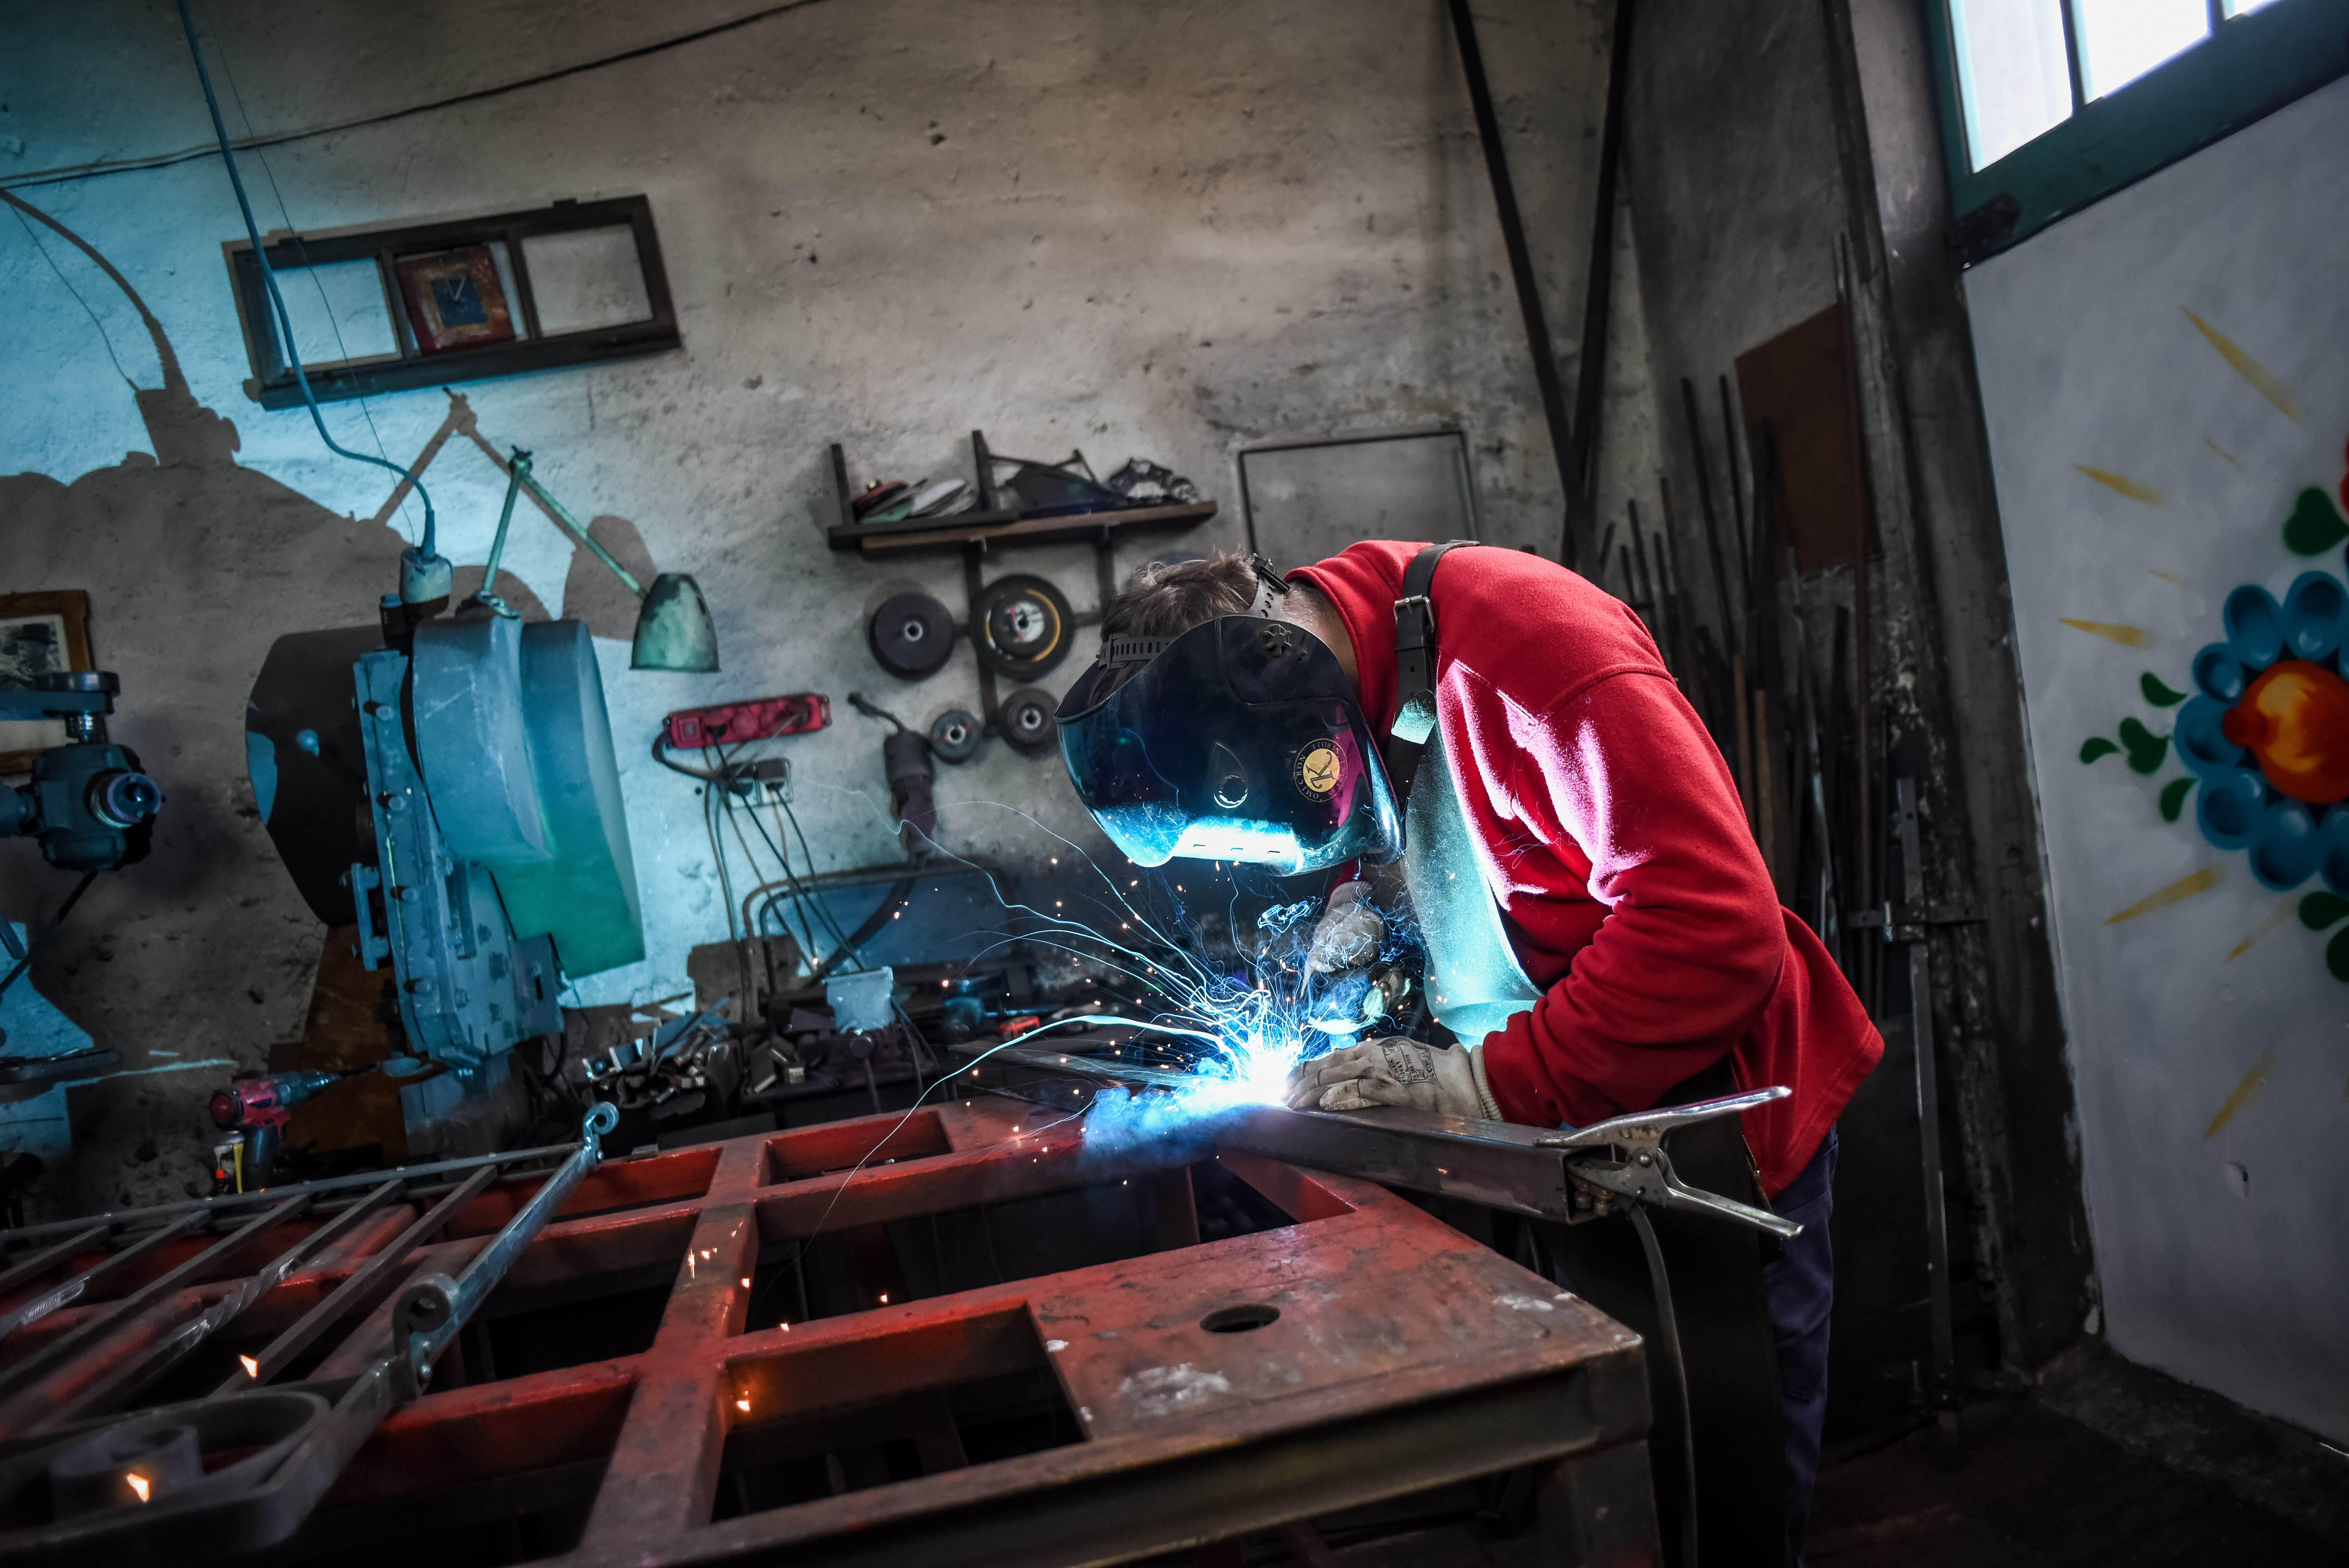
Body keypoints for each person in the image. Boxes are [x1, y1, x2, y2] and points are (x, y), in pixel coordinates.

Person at [1054, 542, 1880, 1560]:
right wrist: (1367, 912)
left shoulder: (1532, 652)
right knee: (1614, 1480)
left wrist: (1479, 1084)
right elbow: (1443, 822)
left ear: (1275, 674)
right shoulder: (1356, 672)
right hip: (1559, 1134)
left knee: (1713, 1509)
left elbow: (1710, 928)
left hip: (1708, 1136)